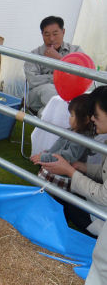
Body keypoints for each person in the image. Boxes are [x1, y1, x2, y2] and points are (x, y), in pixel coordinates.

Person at [40, 86, 107, 237]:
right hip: (100, 204)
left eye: (96, 114)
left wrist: (70, 171)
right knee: (66, 196)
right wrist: (84, 167)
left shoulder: (81, 136)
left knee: (67, 200)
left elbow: (103, 196)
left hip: (103, 214)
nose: (92, 119)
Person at [24, 16, 83, 116]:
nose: (51, 39)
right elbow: (33, 81)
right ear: (42, 34)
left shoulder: (76, 51)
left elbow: (83, 76)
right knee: (49, 89)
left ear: (63, 32)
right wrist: (63, 78)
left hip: (69, 96)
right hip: (38, 98)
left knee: (45, 113)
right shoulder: (34, 55)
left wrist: (59, 59)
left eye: (55, 34)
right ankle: (71, 117)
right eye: (47, 34)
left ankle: (65, 120)